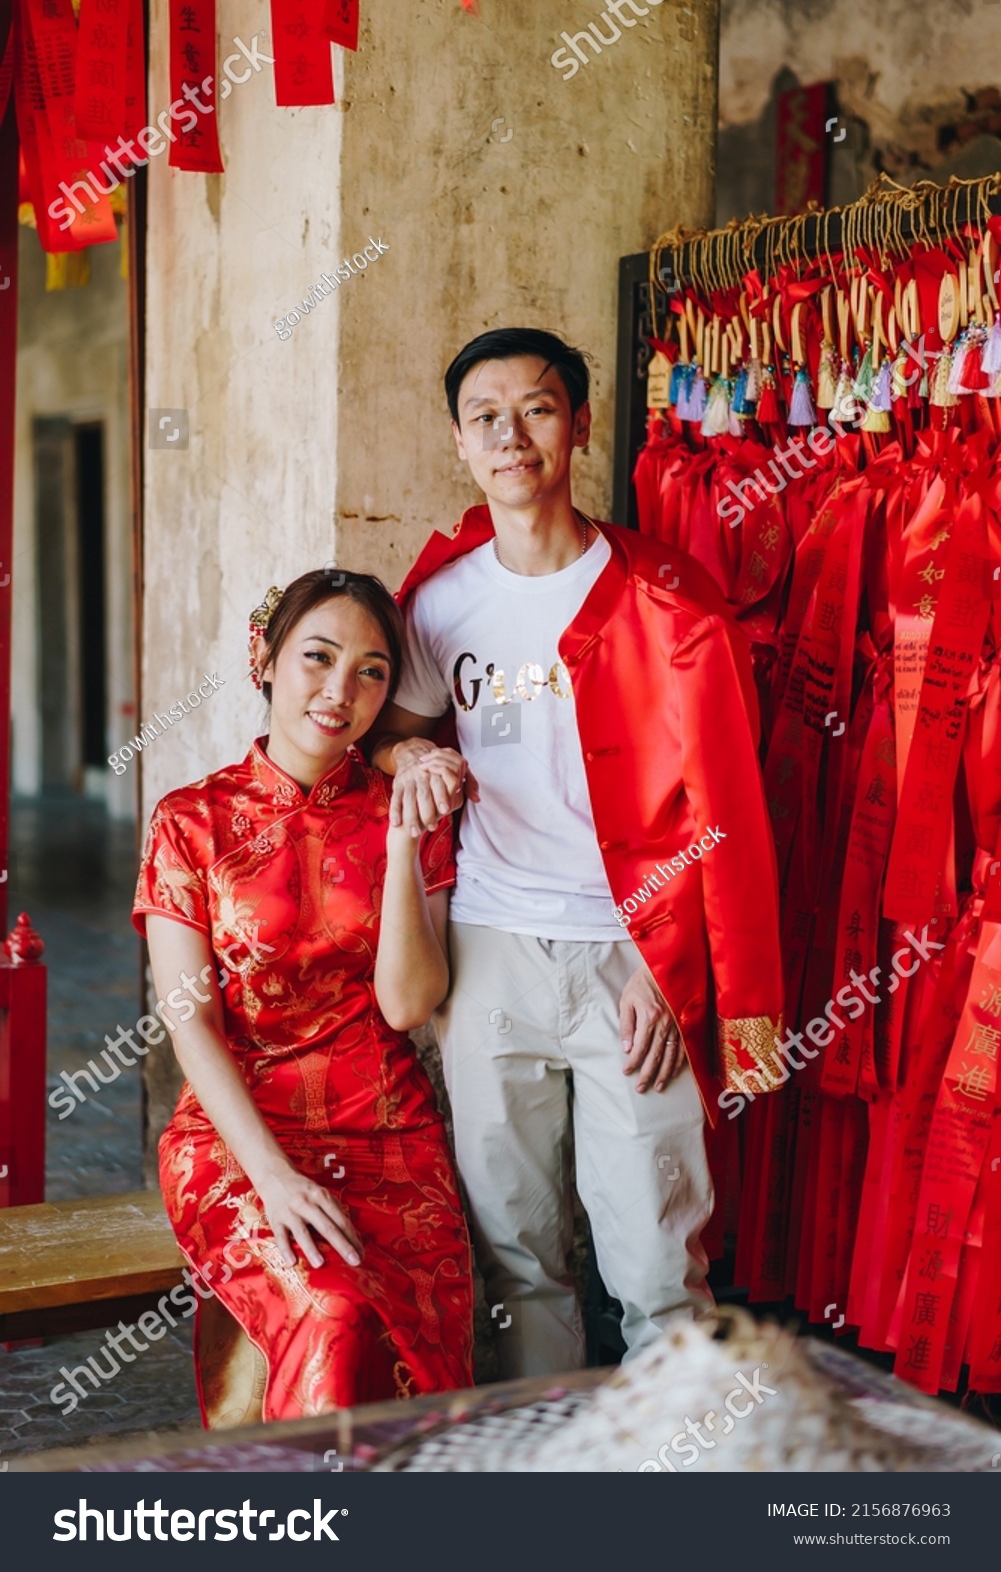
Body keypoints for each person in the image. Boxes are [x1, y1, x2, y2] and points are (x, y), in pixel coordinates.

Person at [369, 326, 785, 1379]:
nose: (511, 435)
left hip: (628, 958)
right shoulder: (439, 603)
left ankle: (674, 1488)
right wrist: (410, 754)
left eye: (537, 408)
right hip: (488, 954)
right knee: (515, 1258)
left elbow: (725, 813)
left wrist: (673, 970)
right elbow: (394, 727)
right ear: (461, 443)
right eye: (485, 416)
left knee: (654, 1264)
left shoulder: (670, 602)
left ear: (581, 425)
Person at [134, 569, 474, 1424]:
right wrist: (273, 1178)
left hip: (390, 1129)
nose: (341, 691)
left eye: (371, 671)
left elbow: (408, 1007)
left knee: (419, 1334)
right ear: (264, 657)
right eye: (317, 658)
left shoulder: (409, 807)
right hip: (239, 1132)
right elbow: (192, 1026)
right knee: (328, 1310)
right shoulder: (191, 821)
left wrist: (401, 842)